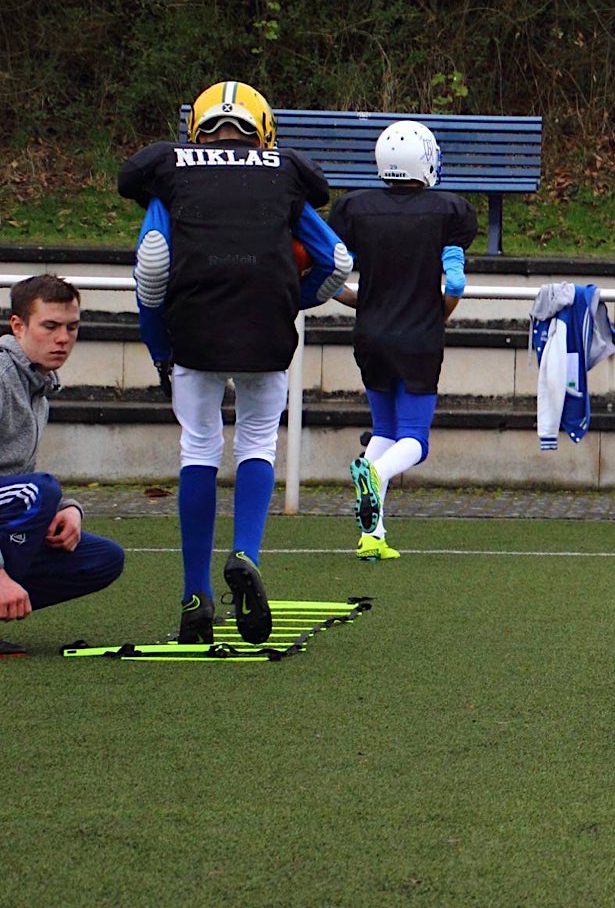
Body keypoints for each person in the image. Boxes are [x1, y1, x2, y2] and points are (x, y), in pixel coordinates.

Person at [118, 80, 352, 645]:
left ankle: (195, 594)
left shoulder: (171, 170)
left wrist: (160, 348)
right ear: (263, 130)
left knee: (199, 447)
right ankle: (244, 551)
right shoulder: (283, 170)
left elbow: (152, 265)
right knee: (256, 444)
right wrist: (286, 297)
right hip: (265, 324)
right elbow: (337, 261)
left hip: (192, 323)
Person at [328, 120, 476, 560]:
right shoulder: (448, 211)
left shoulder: (356, 208)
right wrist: (438, 315)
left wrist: (365, 302)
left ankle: (372, 534)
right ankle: (372, 475)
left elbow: (333, 278)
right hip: (418, 337)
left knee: (386, 430)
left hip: (370, 334)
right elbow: (454, 284)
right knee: (414, 438)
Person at [0, 275, 125, 654]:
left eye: (72, 327)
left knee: (101, 558)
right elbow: (28, 490)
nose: (63, 338)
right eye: (50, 326)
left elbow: (16, 478)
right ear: (18, 326)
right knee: (41, 491)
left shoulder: (38, 385)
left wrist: (68, 511)